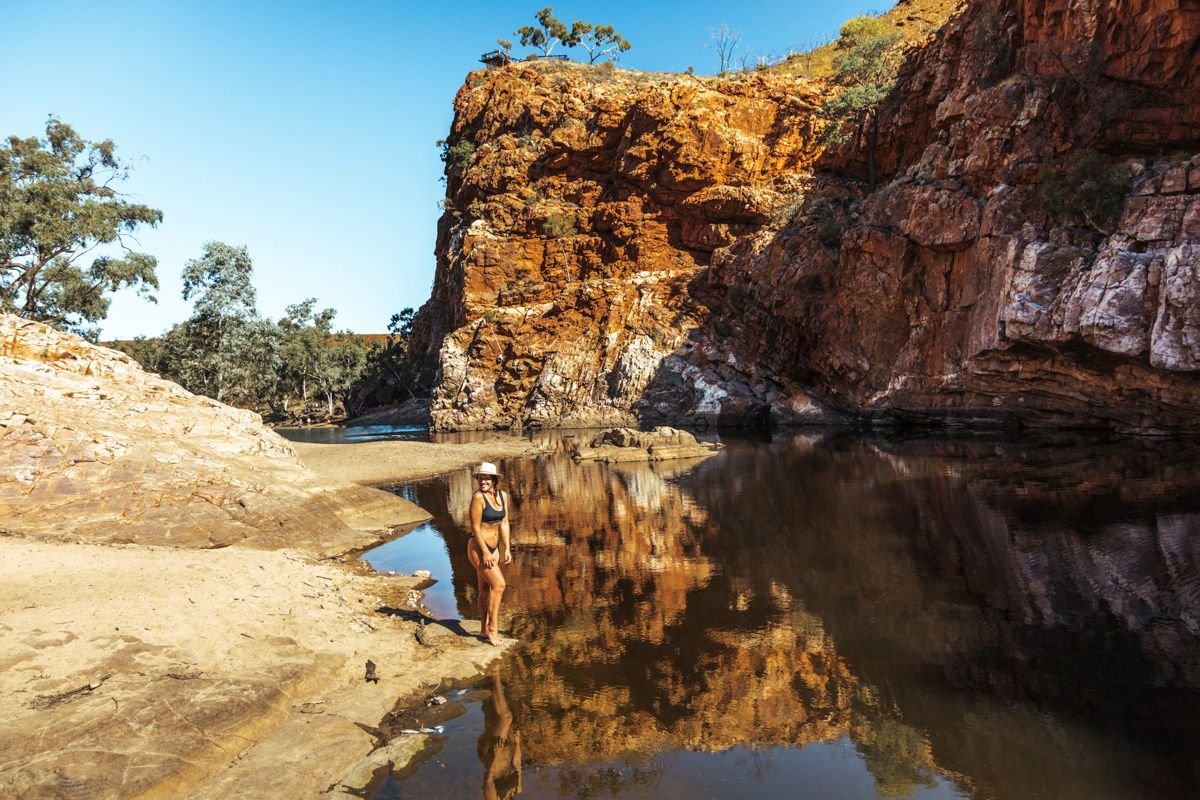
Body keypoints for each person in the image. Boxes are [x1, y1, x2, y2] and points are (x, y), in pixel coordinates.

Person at [468, 462, 512, 646]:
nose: (483, 481)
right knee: (499, 585)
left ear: (494, 480)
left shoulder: (503, 496)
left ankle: (483, 629)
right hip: (478, 548)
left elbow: (504, 523)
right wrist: (485, 552)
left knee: (486, 589)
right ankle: (492, 629)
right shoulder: (478, 498)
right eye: (480, 478)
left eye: (486, 478)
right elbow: (475, 527)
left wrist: (507, 548)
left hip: (494, 549)